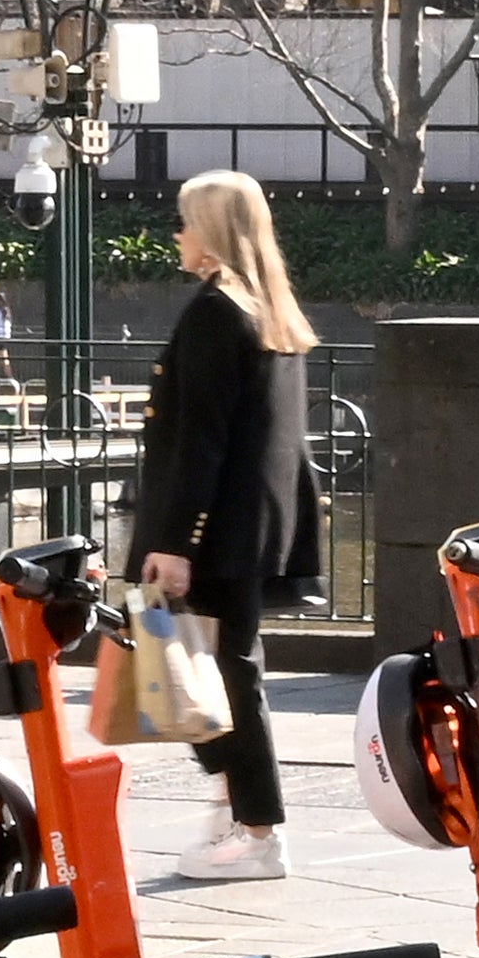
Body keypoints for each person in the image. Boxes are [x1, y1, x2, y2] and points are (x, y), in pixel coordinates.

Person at [122, 170, 317, 889]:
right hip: (248, 529)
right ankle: (234, 805)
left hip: (206, 532)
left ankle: (256, 828)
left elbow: (197, 440)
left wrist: (174, 542)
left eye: (184, 220)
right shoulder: (269, 311)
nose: (177, 233)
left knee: (211, 676)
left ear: (211, 231)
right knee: (212, 673)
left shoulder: (215, 312)